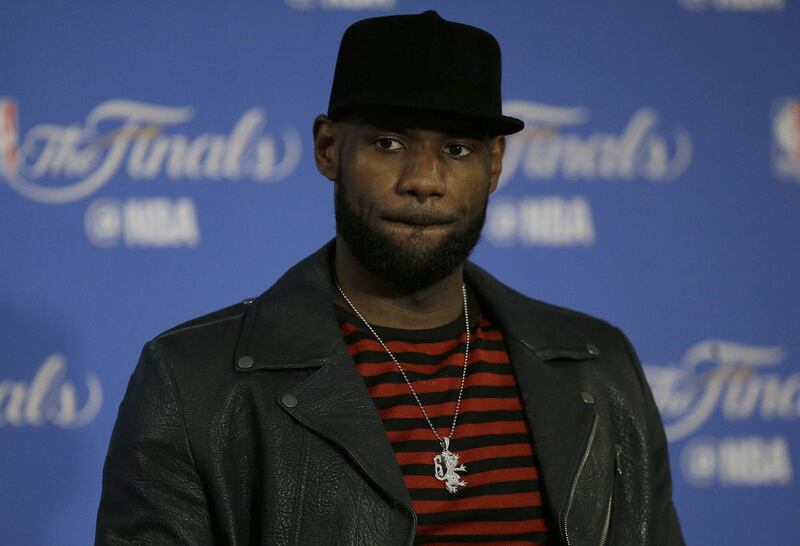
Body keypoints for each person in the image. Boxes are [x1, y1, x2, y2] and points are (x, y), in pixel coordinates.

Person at [96, 10, 684, 546]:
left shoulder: (599, 365)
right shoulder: (193, 382)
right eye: (388, 142)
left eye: (457, 149)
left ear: (495, 164)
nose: (423, 180)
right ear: (329, 148)